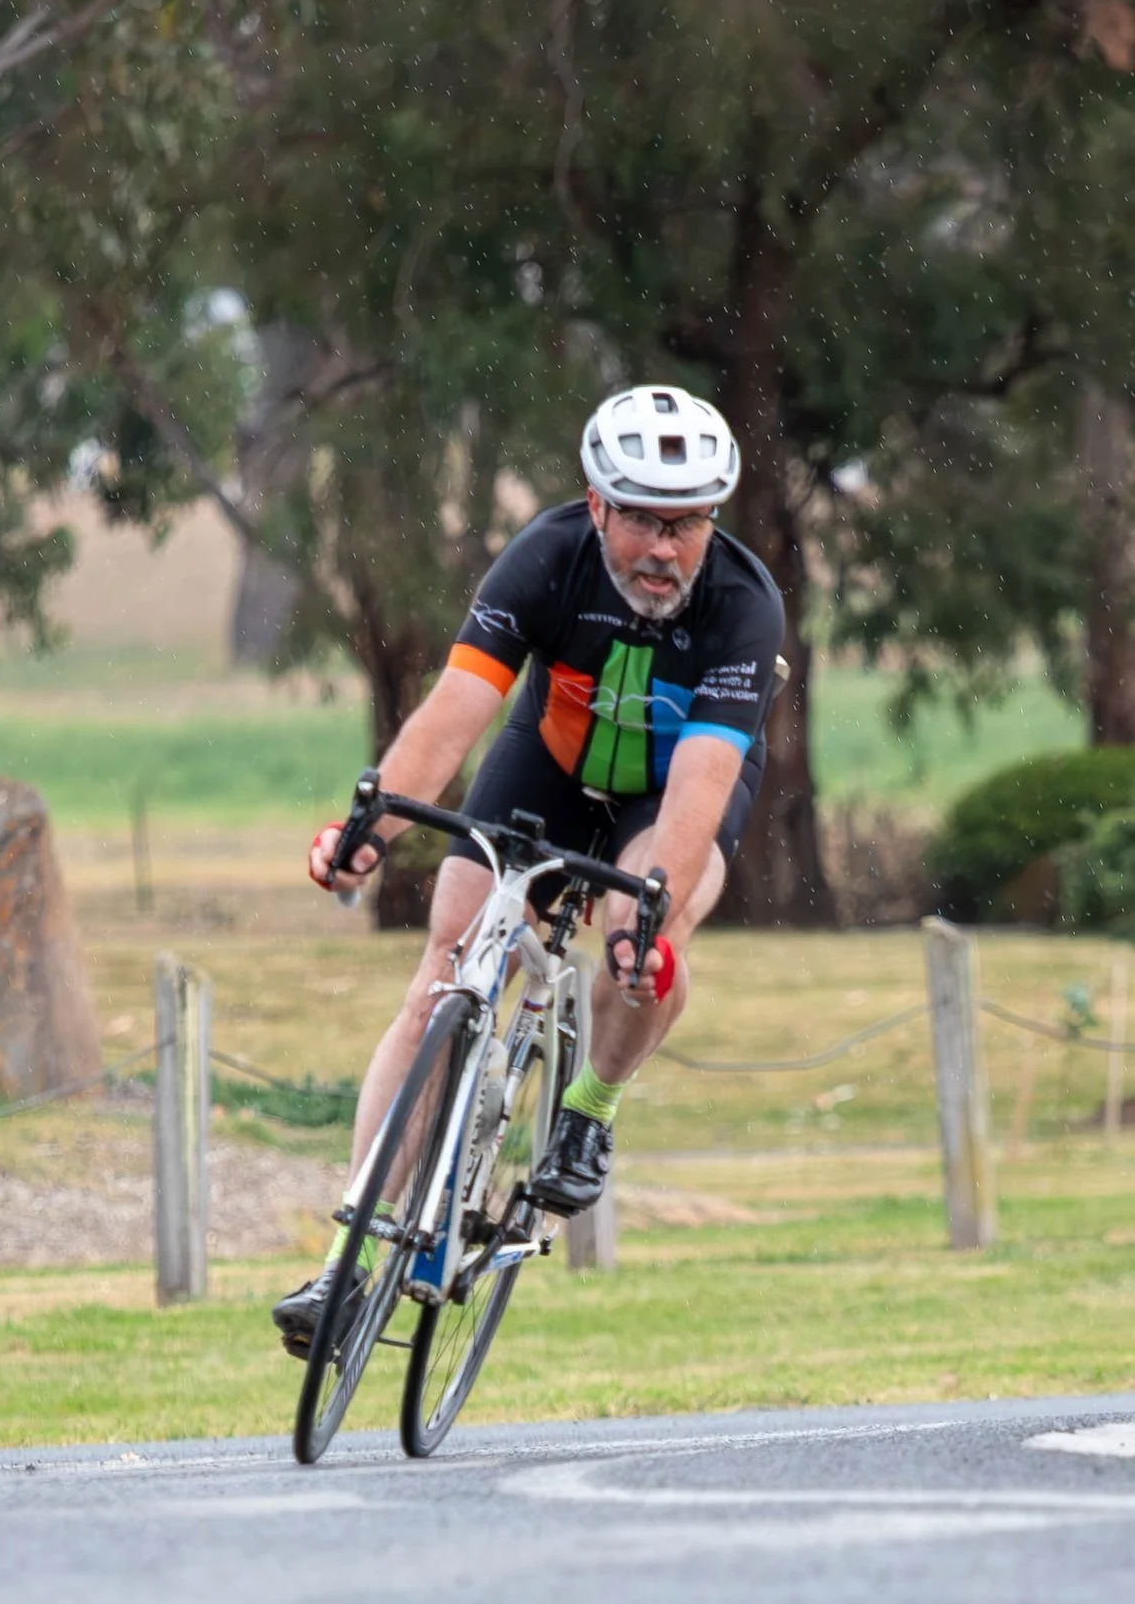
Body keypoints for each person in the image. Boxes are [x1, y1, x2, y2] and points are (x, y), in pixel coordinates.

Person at [272, 385, 783, 1356]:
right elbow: (453, 712)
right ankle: (350, 1259)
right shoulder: (545, 558)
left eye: (686, 524)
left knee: (643, 933)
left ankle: (590, 1108)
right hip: (546, 764)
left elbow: (699, 791)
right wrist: (369, 831)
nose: (664, 549)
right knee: (442, 974)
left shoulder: (744, 607)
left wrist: (649, 915)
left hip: (669, 794)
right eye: (642, 520)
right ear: (595, 506)